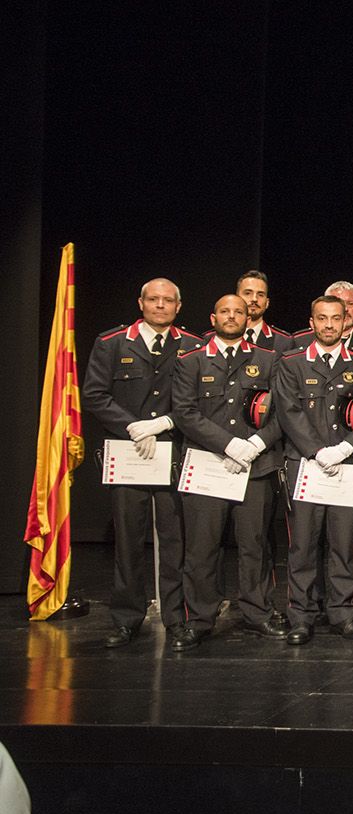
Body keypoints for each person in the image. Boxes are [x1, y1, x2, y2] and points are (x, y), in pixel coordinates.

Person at [83, 278, 202, 648]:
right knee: (128, 541)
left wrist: (164, 422)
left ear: (178, 306)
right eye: (154, 299)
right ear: (141, 302)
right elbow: (95, 394)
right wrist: (132, 426)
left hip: (172, 454)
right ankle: (126, 618)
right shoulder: (111, 342)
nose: (161, 306)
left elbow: (198, 398)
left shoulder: (192, 346)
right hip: (129, 452)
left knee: (174, 541)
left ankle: (175, 617)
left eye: (168, 301)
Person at [169, 294, 284, 650]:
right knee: (202, 548)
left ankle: (257, 613)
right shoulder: (191, 360)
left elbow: (284, 412)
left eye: (239, 311)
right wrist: (229, 444)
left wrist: (256, 444)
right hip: (209, 464)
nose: (232, 316)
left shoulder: (268, 358)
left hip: (256, 466)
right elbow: (185, 412)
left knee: (254, 546)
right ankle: (200, 619)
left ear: (248, 316)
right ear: (213, 317)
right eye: (225, 311)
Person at [272, 294, 353, 644]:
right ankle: (301, 616)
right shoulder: (291, 364)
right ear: (312, 321)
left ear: (347, 320)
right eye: (323, 318)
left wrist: (346, 449)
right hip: (306, 465)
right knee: (302, 545)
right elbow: (289, 412)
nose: (330, 325)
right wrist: (318, 452)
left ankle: (343, 613)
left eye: (336, 318)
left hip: (347, 466)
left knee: (343, 544)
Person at [233, 270, 296, 353]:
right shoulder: (215, 337)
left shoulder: (283, 342)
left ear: (267, 303)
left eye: (260, 295)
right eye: (248, 293)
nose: (254, 299)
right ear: (236, 298)